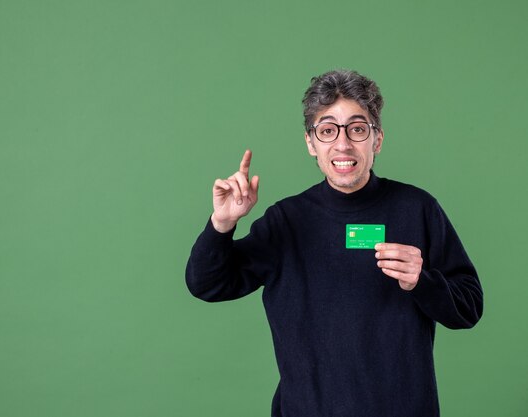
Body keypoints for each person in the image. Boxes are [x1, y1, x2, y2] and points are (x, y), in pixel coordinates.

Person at [185, 69, 483, 417]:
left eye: (357, 129)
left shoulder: (417, 209)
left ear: (377, 140)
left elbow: (469, 308)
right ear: (311, 143)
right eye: (327, 131)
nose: (343, 144)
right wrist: (222, 223)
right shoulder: (287, 220)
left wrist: (422, 281)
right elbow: (207, 284)